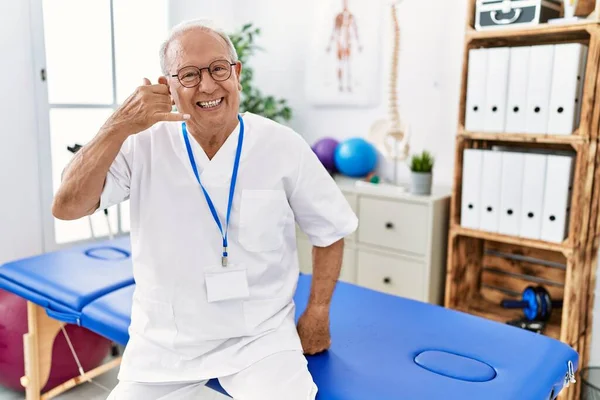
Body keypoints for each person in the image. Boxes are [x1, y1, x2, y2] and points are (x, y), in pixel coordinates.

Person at [51, 19, 358, 400]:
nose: (208, 85)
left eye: (217, 69)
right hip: (164, 343)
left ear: (237, 73)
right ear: (168, 86)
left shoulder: (282, 146)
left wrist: (318, 311)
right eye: (189, 74)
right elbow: (66, 207)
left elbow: (331, 230)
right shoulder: (142, 143)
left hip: (259, 340)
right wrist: (119, 124)